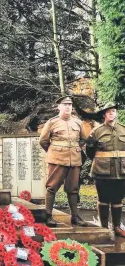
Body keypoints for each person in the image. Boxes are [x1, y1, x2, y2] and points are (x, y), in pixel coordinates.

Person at [39, 95, 88, 227]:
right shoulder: (52, 122)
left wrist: (74, 149)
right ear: (59, 107)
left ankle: (75, 216)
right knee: (52, 187)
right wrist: (54, 151)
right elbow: (43, 141)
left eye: (70, 105)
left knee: (73, 189)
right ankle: (48, 215)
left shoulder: (78, 122)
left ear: (72, 107)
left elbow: (83, 139)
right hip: (57, 159)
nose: (67, 107)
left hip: (74, 159)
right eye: (65, 105)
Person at [86, 102, 125, 237]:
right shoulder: (97, 131)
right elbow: (89, 151)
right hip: (102, 171)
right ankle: (103, 228)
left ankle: (117, 227)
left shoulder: (123, 129)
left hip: (121, 171)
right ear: (104, 114)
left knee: (117, 199)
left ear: (116, 113)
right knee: (103, 199)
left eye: (113, 111)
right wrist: (102, 161)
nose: (111, 113)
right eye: (108, 112)